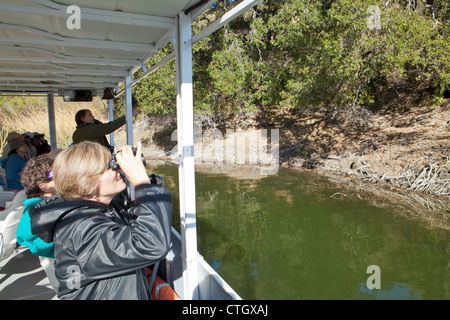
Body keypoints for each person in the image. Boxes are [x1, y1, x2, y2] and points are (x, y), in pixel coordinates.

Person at [29, 141, 172, 300]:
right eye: (110, 166)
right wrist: (141, 183)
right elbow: (151, 245)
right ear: (86, 180)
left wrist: (145, 181)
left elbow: (143, 224)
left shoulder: (103, 209)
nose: (117, 170)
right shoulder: (79, 228)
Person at [16, 153, 57, 258]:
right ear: (44, 187)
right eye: (56, 174)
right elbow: (39, 245)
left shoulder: (56, 204)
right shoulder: (38, 213)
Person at [72, 109, 139, 151]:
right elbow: (109, 127)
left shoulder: (76, 133)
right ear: (82, 119)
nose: (93, 117)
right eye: (90, 115)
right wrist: (130, 115)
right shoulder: (90, 129)